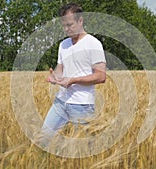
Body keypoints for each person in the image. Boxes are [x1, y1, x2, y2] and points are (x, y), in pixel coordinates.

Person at [40, 3, 106, 147]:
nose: (66, 29)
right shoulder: (63, 45)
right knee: (44, 138)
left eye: (70, 25)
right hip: (60, 102)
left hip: (82, 105)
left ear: (80, 21)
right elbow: (60, 69)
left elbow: (101, 76)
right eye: (64, 25)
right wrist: (55, 77)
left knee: (81, 148)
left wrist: (73, 80)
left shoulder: (93, 44)